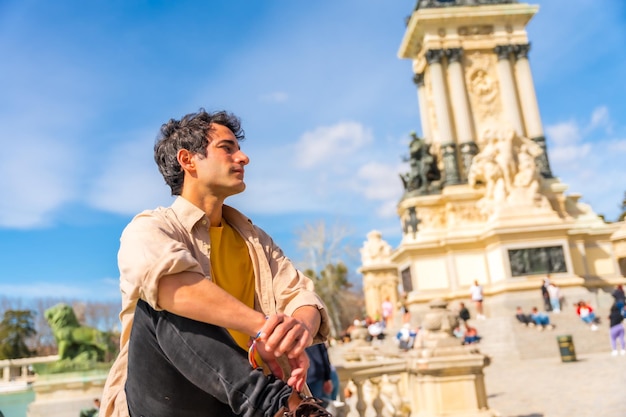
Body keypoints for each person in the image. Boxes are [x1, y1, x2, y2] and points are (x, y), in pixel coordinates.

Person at [100, 109, 332, 417]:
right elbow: (173, 289)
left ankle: (279, 406)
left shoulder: (255, 239)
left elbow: (301, 296)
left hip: (234, 399)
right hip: (169, 401)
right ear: (188, 160)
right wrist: (262, 328)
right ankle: (286, 408)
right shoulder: (150, 228)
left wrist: (294, 331)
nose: (244, 157)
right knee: (160, 303)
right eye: (227, 148)